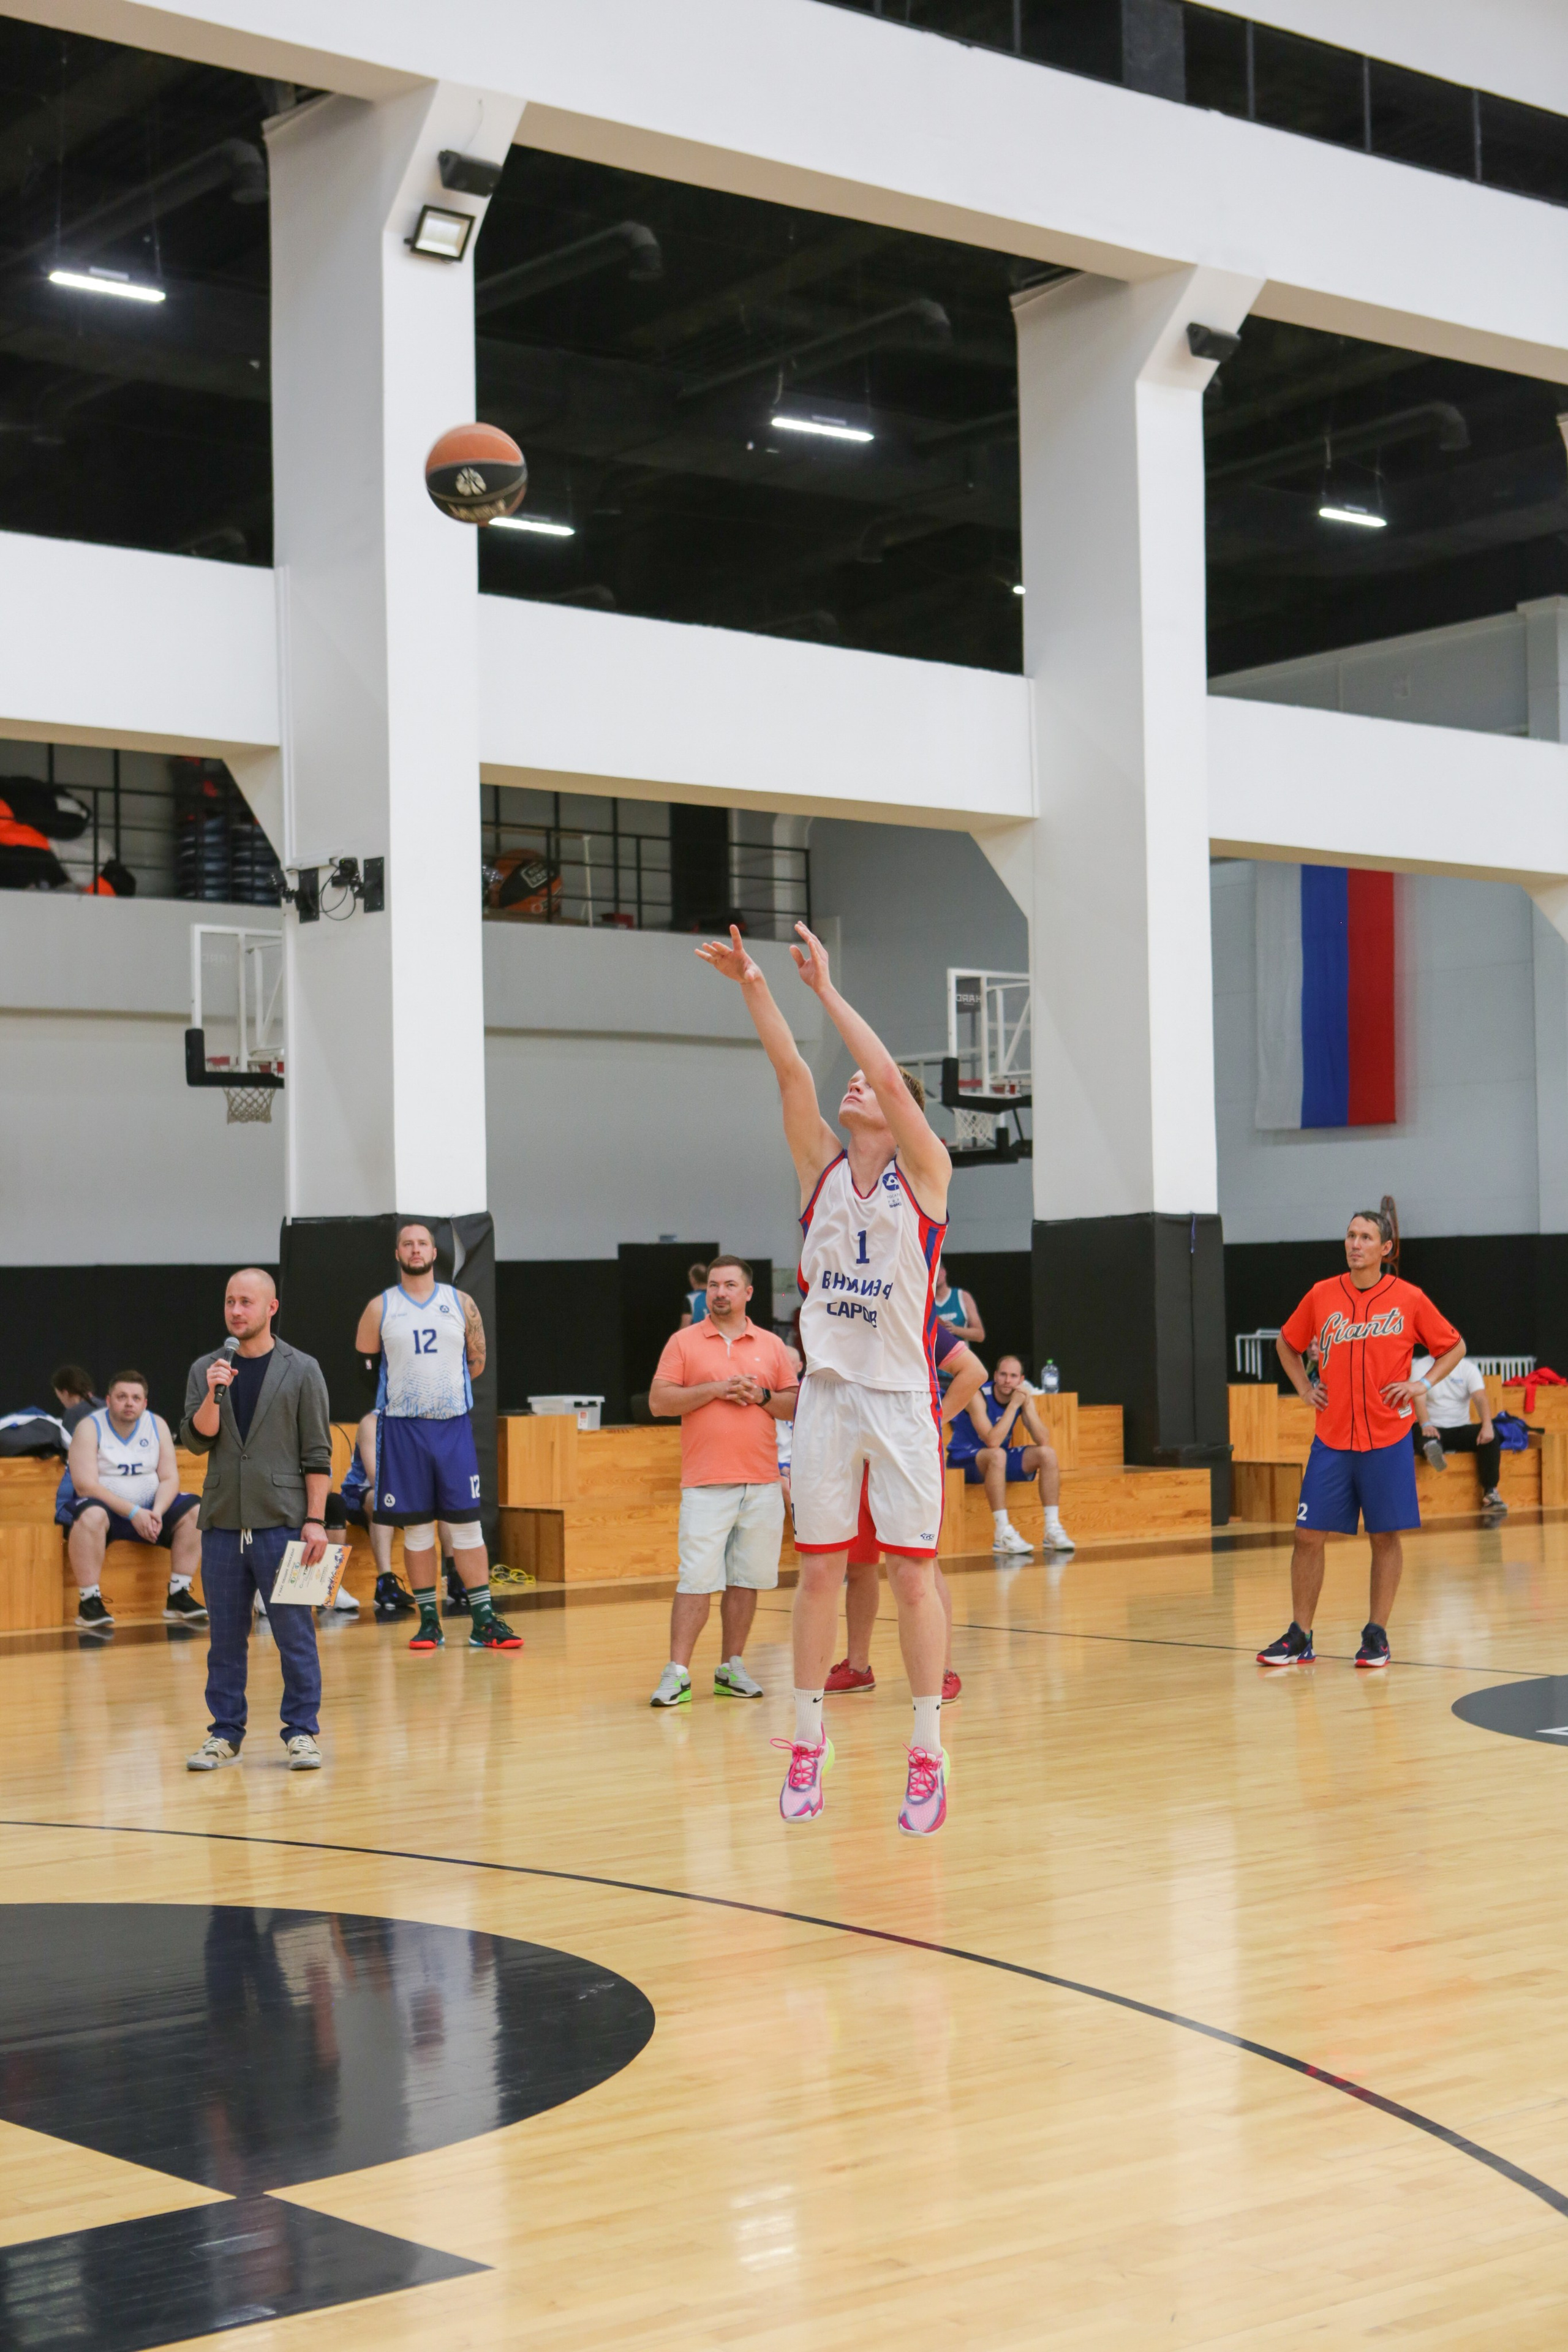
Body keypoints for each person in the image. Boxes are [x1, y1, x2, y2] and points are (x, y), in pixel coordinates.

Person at [698, 918, 954, 1837]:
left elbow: (883, 1075)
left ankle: (927, 1752)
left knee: (914, 1582)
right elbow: (794, 1077)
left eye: (873, 1088)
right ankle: (809, 1739)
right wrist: (757, 986)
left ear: (902, 1114)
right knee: (814, 1576)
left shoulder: (926, 1175)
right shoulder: (822, 1170)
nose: (855, 1085)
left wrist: (827, 992)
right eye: (853, 1082)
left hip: (900, 1401)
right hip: (828, 1402)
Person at [1257, 1197, 1464, 1673]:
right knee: (1307, 1535)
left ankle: (1376, 1634)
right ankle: (1299, 1635)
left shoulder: (1409, 1298)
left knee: (1385, 1537)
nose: (1355, 1244)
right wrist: (1305, 1387)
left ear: (1386, 1248)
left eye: (1366, 1237)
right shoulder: (1321, 1294)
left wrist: (1422, 1384)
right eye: (1350, 1236)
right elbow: (1286, 1344)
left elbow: (1454, 1346)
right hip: (1332, 1439)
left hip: (1387, 1439)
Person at [180, 1267, 333, 1770]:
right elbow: (197, 1439)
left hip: (286, 1525)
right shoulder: (208, 1367)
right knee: (225, 1638)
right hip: (223, 1525)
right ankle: (224, 1733)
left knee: (295, 1635)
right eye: (230, 1302)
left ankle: (301, 1732)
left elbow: (317, 1454)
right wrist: (213, 1393)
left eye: (247, 1302)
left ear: (271, 1308)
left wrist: (315, 1520)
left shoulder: (303, 1369)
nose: (236, 1311)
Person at [353, 1221, 519, 1654]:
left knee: (467, 1527)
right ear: (397, 1253)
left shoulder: (460, 1302)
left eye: (422, 1243)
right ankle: (429, 1621)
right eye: (407, 1243)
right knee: (419, 1530)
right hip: (404, 1430)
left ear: (434, 1251)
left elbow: (476, 1362)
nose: (415, 1249)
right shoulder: (380, 1308)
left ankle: (483, 1619)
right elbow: (363, 1365)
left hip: (453, 1427)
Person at [647, 1255, 799, 1707]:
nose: (720, 1292)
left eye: (730, 1285)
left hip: (762, 1483)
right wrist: (714, 1389)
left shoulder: (772, 1346)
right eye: (713, 1285)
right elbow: (658, 1401)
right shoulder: (683, 1342)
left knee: (746, 1580)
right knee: (696, 1579)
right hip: (706, 1483)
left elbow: (795, 1405)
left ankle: (731, 1667)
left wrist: (762, 1395)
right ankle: (677, 1673)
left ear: (748, 1293)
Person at [826, 1319, 985, 1700]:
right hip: (854, 1457)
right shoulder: (840, 1316)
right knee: (858, 1564)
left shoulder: (915, 1317)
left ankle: (941, 1670)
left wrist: (935, 1420)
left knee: (922, 1567)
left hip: (906, 1459)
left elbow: (973, 1370)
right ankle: (858, 1666)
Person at [61, 1370, 206, 1630]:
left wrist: (157, 1513)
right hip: (107, 1509)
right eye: (122, 1397)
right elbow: (85, 1486)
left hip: (150, 1510)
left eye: (136, 1398)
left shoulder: (157, 1425)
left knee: (197, 1511)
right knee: (90, 1515)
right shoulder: (88, 1427)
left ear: (145, 1403)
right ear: (108, 1401)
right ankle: (89, 1602)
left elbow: (170, 1478)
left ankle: (179, 1595)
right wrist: (133, 1512)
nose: (129, 1403)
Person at [946, 1352, 1074, 1556]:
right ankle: (1002, 1534)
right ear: (995, 1376)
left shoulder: (1020, 1396)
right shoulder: (977, 1395)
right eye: (1003, 1375)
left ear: (1021, 1380)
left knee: (1047, 1454)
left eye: (1014, 1376)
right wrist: (1014, 1406)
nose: (1008, 1380)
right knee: (997, 1454)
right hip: (963, 1460)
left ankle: (1052, 1528)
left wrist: (1028, 1406)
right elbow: (992, 1441)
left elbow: (1043, 1439)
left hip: (997, 1459)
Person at [331, 1410, 418, 1615]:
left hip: (399, 1494)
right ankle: (385, 1582)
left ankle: (454, 1579)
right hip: (358, 1493)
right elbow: (375, 1478)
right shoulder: (371, 1422)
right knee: (383, 1500)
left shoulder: (416, 1423)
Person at [1413, 1349, 1504, 1513]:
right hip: (1432, 1428)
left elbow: (1480, 1397)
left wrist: (1487, 1425)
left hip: (1460, 1428)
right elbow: (1418, 1398)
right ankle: (1432, 1449)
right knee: (1417, 1432)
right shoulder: (1421, 1367)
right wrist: (1426, 1423)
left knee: (1491, 1436)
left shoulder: (1468, 1368)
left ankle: (1491, 1493)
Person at [932, 1260, 984, 1344]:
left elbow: (980, 1335)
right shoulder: (925, 1302)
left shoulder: (962, 1296)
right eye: (931, 1271)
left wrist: (955, 1330)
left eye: (937, 1270)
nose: (935, 1274)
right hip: (936, 1356)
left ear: (944, 1271)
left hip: (960, 1354)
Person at [51, 1364, 102, 1434]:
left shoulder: (73, 1414)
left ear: (66, 1394)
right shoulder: (108, 1406)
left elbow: (68, 1444)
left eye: (60, 1398)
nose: (62, 1403)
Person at [679, 1261, 710, 1329]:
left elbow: (685, 1326)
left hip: (697, 1338)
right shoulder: (717, 1295)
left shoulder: (691, 1298)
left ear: (693, 1279)